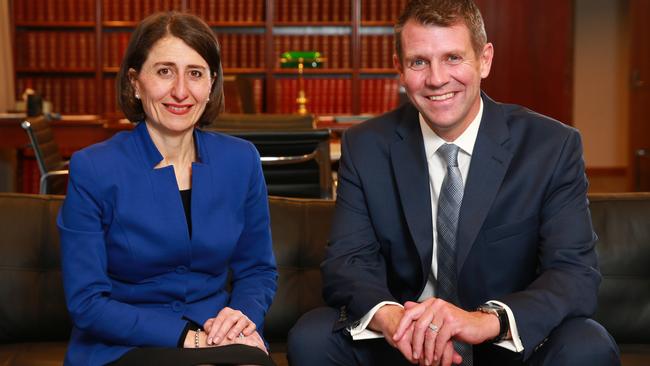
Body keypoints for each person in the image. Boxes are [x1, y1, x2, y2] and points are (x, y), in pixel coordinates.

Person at [288, 0, 620, 365]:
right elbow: (346, 262)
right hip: (404, 343)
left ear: (485, 59)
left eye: (453, 58)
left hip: (503, 343)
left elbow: (574, 274)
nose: (436, 79)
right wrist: (394, 320)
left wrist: (485, 321)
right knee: (312, 336)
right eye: (419, 62)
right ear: (399, 68)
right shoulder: (366, 146)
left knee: (588, 343)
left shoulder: (551, 147)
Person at [57, 12, 277, 366]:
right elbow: (86, 302)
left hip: (217, 334)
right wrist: (185, 337)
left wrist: (240, 316)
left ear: (211, 84)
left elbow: (258, 270)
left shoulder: (241, 160)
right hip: (125, 344)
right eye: (164, 71)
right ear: (135, 82)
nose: (180, 91)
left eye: (195, 73)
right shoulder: (94, 168)